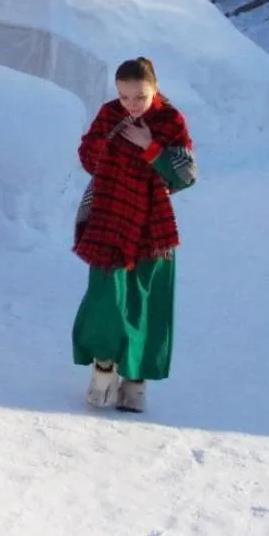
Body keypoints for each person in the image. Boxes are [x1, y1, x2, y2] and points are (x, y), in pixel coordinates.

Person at [72, 57, 197, 414]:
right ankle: (104, 367)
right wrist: (110, 144)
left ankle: (137, 381)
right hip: (108, 220)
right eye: (125, 96)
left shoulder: (170, 121)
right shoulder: (110, 115)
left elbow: (185, 175)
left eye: (139, 96)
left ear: (154, 88)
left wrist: (150, 146)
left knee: (146, 302)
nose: (131, 104)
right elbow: (87, 155)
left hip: (152, 226)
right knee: (105, 299)